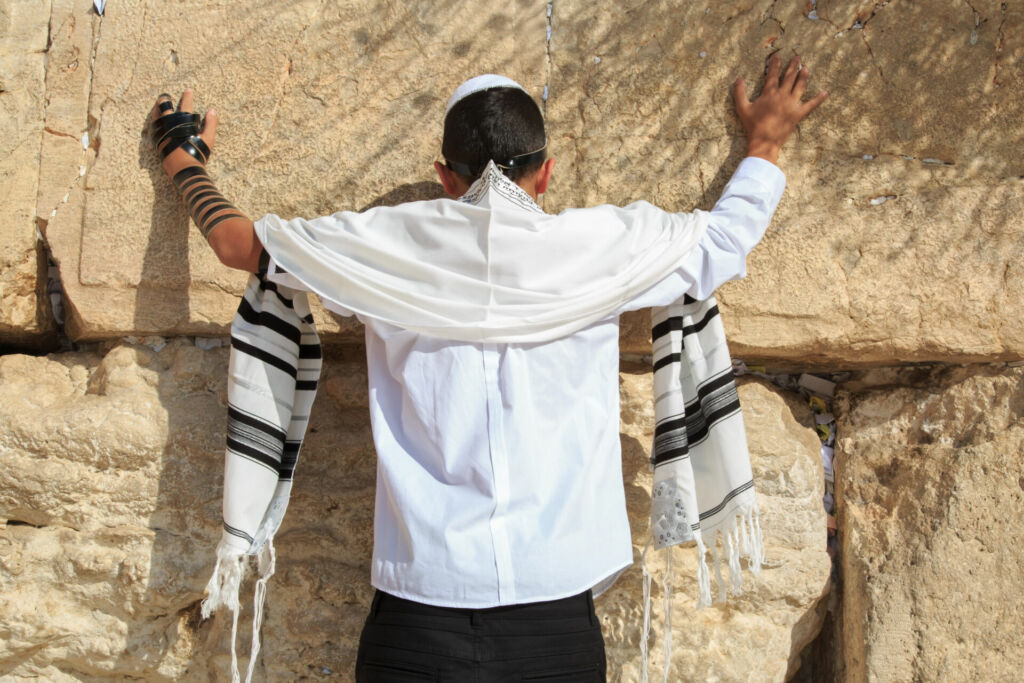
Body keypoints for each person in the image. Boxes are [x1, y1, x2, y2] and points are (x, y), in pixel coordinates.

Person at [150, 54, 825, 682]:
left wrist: (184, 157)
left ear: (446, 177)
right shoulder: (602, 248)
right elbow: (725, 238)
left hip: (416, 622)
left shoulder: (385, 247)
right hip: (556, 627)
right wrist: (764, 143)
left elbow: (236, 243)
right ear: (547, 172)